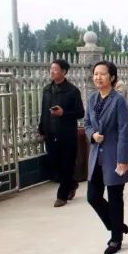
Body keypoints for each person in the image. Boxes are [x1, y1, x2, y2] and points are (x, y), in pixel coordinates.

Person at [84, 61, 128, 254]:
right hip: (96, 155)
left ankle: (115, 239)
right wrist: (92, 135)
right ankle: (117, 225)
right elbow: (87, 123)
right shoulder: (91, 99)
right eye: (95, 74)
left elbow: (123, 131)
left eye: (102, 74)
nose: (98, 77)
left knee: (115, 197)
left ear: (111, 77)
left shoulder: (118, 100)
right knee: (93, 197)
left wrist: (123, 159)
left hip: (113, 155)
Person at [37, 59, 85, 208]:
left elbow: (80, 113)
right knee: (54, 163)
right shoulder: (47, 90)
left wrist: (64, 113)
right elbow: (44, 111)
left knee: (67, 164)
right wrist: (42, 128)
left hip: (67, 134)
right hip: (50, 133)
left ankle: (62, 196)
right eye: (51, 69)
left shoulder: (72, 91)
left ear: (64, 72)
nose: (52, 72)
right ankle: (72, 184)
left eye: (55, 69)